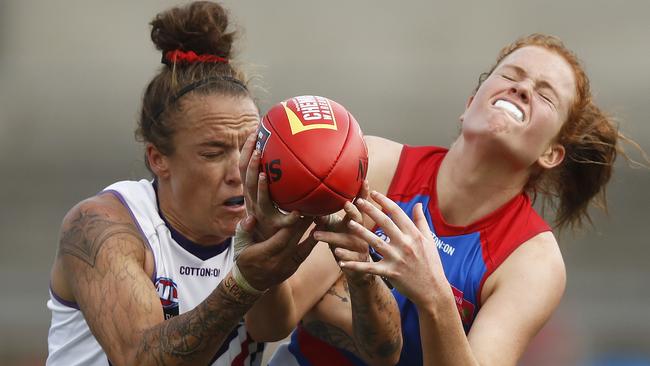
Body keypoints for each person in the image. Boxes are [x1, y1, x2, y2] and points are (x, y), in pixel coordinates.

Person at [258, 33, 629, 365]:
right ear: (469, 105)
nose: (523, 89)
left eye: (545, 94)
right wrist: (270, 250)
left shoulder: (533, 260)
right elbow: (269, 324)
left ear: (551, 153)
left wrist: (433, 294)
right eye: (511, 76)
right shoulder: (375, 165)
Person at [46, 2, 323, 365]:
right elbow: (139, 359)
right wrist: (243, 285)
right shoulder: (102, 225)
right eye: (213, 152)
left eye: (249, 147)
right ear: (158, 159)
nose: (238, 170)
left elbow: (272, 327)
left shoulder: (263, 220)